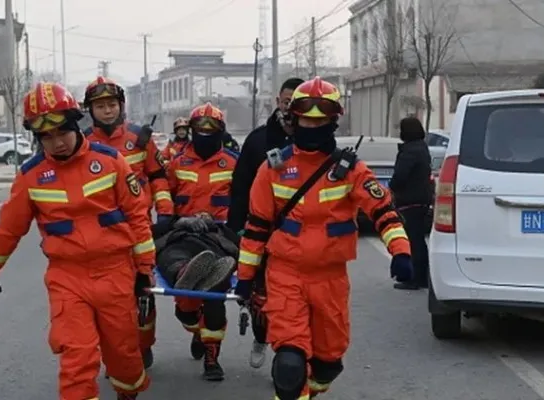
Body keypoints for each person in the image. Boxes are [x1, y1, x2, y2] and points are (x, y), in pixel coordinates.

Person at [233, 77, 414, 399]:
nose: (312, 125)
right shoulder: (273, 168)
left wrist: (401, 251)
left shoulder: (351, 170)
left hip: (330, 280)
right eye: (306, 118)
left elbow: (384, 211)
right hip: (285, 274)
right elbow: (257, 228)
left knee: (328, 362)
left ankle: (311, 388)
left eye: (320, 120)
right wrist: (245, 277)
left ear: (333, 120)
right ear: (295, 118)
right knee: (289, 363)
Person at [0, 82, 154, 400]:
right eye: (47, 136)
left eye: (62, 132)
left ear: (75, 124)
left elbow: (138, 219)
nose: (57, 142)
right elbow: (8, 230)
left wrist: (144, 270)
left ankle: (128, 393)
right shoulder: (30, 177)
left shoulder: (112, 162)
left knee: (124, 358)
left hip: (115, 274)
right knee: (77, 359)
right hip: (67, 278)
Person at [82, 76, 172, 367]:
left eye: (111, 104)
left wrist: (166, 211)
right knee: (109, 303)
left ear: (121, 106)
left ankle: (143, 347)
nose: (107, 111)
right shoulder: (82, 143)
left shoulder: (140, 139)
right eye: (100, 106)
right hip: (100, 237)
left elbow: (159, 177)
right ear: (90, 110)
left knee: (142, 292)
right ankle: (118, 355)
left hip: (139, 230)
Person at [226, 77, 304, 368]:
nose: (290, 108)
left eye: (297, 103)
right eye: (286, 102)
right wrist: (235, 229)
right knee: (261, 297)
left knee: (293, 302)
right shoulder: (258, 140)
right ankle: (261, 336)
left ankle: (289, 361)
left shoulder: (313, 142)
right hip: (261, 232)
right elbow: (240, 186)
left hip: (301, 240)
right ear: (278, 102)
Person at [166, 102, 239, 381]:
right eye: (200, 129)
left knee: (215, 293)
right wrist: (174, 222)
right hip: (184, 231)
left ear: (220, 132)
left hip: (218, 235)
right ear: (192, 131)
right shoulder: (176, 163)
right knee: (185, 306)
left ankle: (212, 356)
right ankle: (195, 325)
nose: (205, 134)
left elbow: (244, 204)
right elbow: (164, 200)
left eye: (212, 129)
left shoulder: (233, 163)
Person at [389, 116, 432, 291]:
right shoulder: (422, 148)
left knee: (413, 240)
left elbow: (400, 175)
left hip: (409, 200)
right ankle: (421, 276)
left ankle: (414, 277)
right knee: (418, 240)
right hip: (421, 199)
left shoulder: (409, 151)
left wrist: (392, 188)